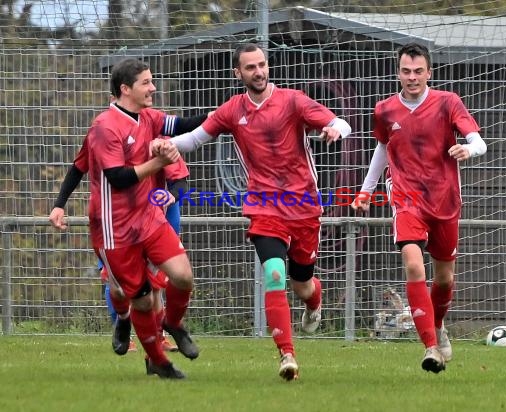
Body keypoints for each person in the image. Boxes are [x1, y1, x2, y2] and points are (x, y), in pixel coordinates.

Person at [153, 42, 351, 381]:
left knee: (302, 284)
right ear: (238, 73)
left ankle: (314, 302)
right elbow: (196, 139)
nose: (258, 72)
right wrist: (165, 144)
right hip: (263, 206)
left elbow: (340, 123)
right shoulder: (233, 109)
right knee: (274, 272)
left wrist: (334, 129)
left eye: (261, 65)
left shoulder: (292, 100)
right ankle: (287, 356)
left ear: (267, 66)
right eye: (250, 67)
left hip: (303, 206)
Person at [51, 58, 203, 379]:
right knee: (139, 301)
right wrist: (60, 203)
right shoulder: (105, 127)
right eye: (146, 82)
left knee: (183, 277)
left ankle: (172, 325)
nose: (153, 87)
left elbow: (184, 125)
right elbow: (117, 178)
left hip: (149, 218)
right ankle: (156, 360)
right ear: (126, 89)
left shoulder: (149, 117)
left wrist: (225, 116)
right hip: (114, 229)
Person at [351, 43, 487, 373]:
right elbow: (383, 149)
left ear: (429, 73)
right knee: (414, 265)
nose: (412, 77)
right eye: (406, 71)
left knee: (444, 278)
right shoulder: (384, 109)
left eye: (418, 71)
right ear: (398, 73)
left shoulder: (447, 102)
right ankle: (429, 348)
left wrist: (470, 150)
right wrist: (366, 192)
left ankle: (437, 325)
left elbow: (478, 140)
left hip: (444, 199)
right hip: (406, 198)